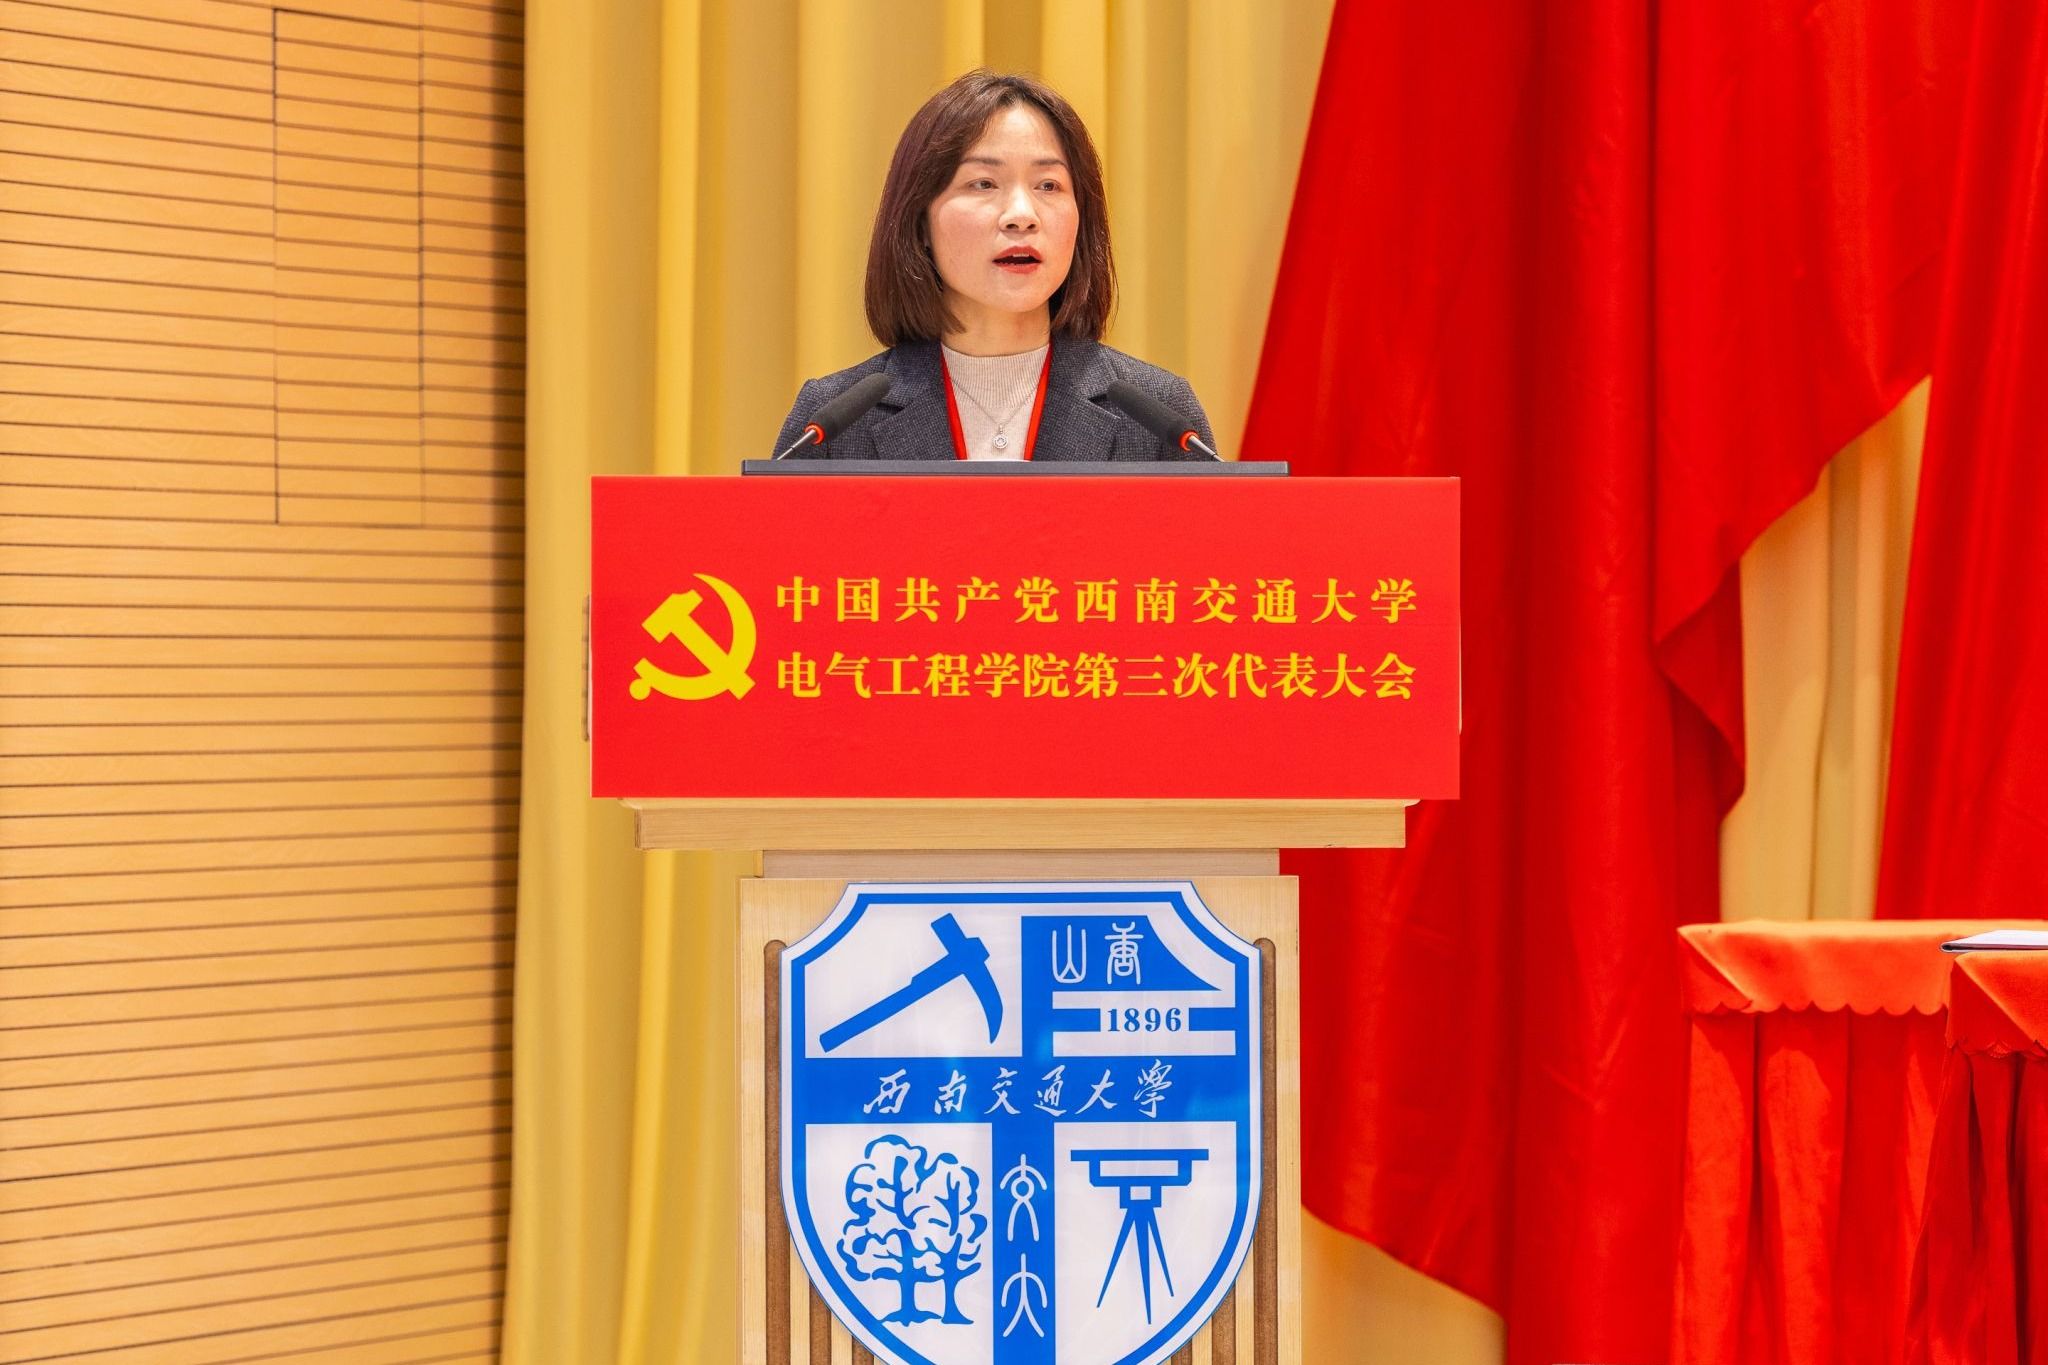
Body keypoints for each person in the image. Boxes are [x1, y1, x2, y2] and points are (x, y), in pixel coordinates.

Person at [773, 70, 1218, 463]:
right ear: (920, 222)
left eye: (1049, 185)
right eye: (983, 183)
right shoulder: (831, 427)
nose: (1021, 215)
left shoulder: (1162, 422)